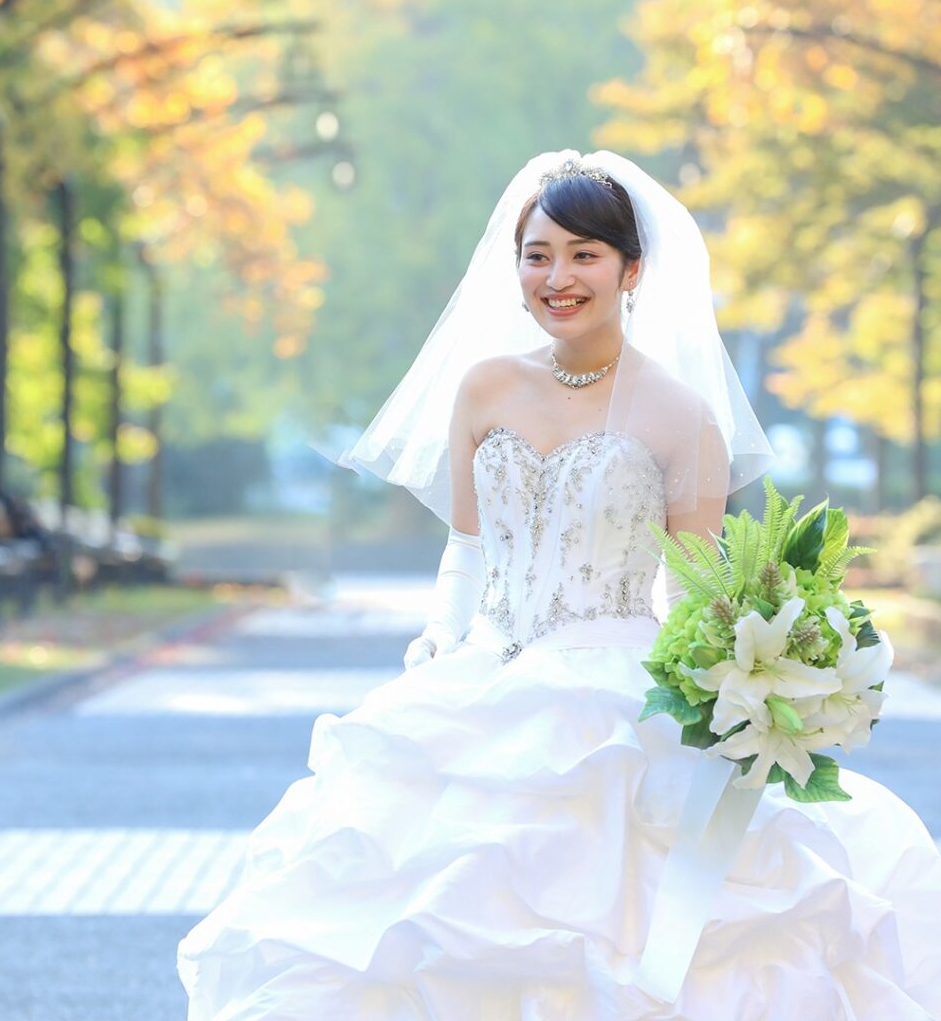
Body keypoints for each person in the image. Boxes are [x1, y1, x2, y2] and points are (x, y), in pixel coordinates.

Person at [177, 151, 941, 1019]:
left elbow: (695, 591)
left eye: (584, 254)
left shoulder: (682, 415)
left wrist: (733, 687)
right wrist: (436, 646)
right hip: (480, 676)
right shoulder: (485, 388)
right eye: (538, 255)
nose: (558, 276)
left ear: (631, 269)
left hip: (613, 692)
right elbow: (466, 549)